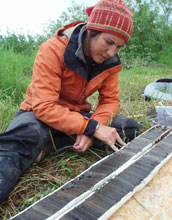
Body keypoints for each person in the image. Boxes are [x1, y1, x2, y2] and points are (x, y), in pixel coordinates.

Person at [0, 0, 140, 204]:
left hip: (75, 117)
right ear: (92, 31)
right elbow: (44, 107)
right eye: (109, 42)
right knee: (19, 141)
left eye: (119, 47)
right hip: (38, 115)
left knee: (129, 129)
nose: (112, 52)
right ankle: (43, 142)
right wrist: (91, 128)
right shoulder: (53, 49)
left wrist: (96, 127)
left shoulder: (110, 63)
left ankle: (48, 146)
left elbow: (110, 100)